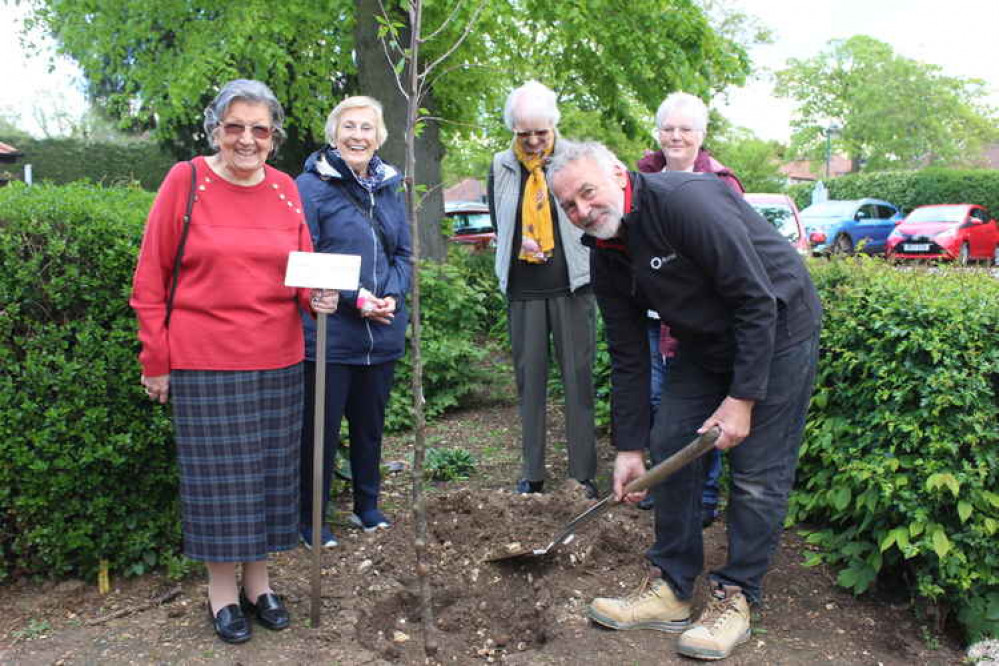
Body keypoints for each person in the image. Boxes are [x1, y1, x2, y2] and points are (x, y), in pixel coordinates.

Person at [549, 140, 821, 661]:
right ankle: (672, 588)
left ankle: (738, 595)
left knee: (758, 472)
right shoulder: (603, 249)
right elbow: (627, 353)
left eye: (587, 193)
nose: (583, 211)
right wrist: (629, 449)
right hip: (704, 340)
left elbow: (755, 299)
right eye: (569, 206)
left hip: (779, 326)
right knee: (670, 441)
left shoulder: (686, 202)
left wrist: (742, 399)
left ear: (616, 173)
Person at [131, 79, 339, 644]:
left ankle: (260, 585)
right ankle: (222, 592)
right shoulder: (187, 181)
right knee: (222, 482)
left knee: (271, 477)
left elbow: (301, 268)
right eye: (235, 127)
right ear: (216, 131)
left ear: (274, 137)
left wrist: (317, 296)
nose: (247, 140)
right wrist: (157, 357)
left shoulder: (285, 190)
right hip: (205, 360)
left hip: (279, 358)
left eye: (260, 129)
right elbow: (151, 277)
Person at [296, 96, 412, 547]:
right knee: (320, 434)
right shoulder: (310, 186)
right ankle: (312, 521)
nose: (357, 136)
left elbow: (403, 253)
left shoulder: (389, 187)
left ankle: (368, 507)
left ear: (378, 137)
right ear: (334, 133)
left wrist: (388, 296)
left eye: (366, 128)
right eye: (349, 127)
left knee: (370, 428)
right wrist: (355, 298)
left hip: (381, 332)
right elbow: (306, 255)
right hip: (329, 334)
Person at [636, 92, 746, 523]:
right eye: (668, 128)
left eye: (685, 129)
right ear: (658, 132)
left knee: (706, 409)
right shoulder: (641, 179)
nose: (676, 136)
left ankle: (702, 497)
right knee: (659, 402)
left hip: (701, 325)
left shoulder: (721, 183)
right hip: (653, 317)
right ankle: (665, 486)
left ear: (701, 135)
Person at [488, 81, 598, 498]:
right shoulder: (500, 164)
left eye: (540, 132)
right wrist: (519, 243)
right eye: (523, 133)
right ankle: (532, 474)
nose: (532, 141)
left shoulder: (575, 161)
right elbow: (501, 219)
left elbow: (592, 216)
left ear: (554, 125)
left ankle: (582, 474)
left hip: (572, 286)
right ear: (513, 130)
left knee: (578, 381)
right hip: (524, 288)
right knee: (529, 384)